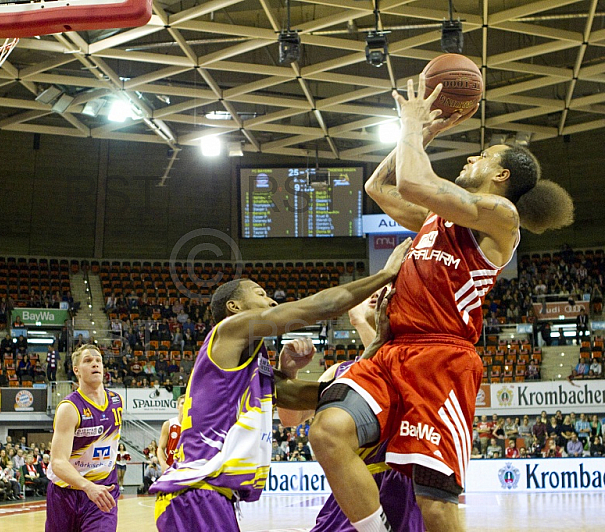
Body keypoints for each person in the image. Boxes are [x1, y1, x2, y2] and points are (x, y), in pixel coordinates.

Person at [310, 74, 574, 532]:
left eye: (484, 156)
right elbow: (379, 186)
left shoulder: (500, 217)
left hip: (442, 360)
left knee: (435, 508)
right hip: (391, 353)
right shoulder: (438, 217)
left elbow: (413, 181)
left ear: (502, 175)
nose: (472, 156)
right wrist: (424, 132)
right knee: (327, 432)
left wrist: (410, 123)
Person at [150, 241, 409, 532]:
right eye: (261, 294)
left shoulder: (251, 369)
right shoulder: (228, 331)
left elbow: (320, 397)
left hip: (209, 496)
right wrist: (386, 274)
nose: (272, 302)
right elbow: (317, 307)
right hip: (196, 491)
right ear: (234, 307)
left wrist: (374, 345)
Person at [278, 292, 425, 532]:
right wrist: (288, 372)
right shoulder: (339, 371)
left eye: (384, 291)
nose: (376, 295)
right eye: (370, 293)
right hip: (351, 485)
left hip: (399, 485)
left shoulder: (410, 357)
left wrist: (363, 324)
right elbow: (290, 419)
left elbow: (384, 364)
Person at [45, 344, 123, 532]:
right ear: (76, 370)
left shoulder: (116, 401)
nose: (95, 364)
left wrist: (94, 487)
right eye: (88, 361)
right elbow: (58, 462)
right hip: (65, 493)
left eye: (98, 360)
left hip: (103, 491)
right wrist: (87, 486)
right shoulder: (69, 408)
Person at [157, 395, 184, 472]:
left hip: (187, 469)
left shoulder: (195, 426)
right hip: (171, 467)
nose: (185, 405)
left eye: (187, 403)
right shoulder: (169, 424)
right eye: (182, 403)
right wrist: (163, 464)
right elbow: (160, 448)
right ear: (178, 407)